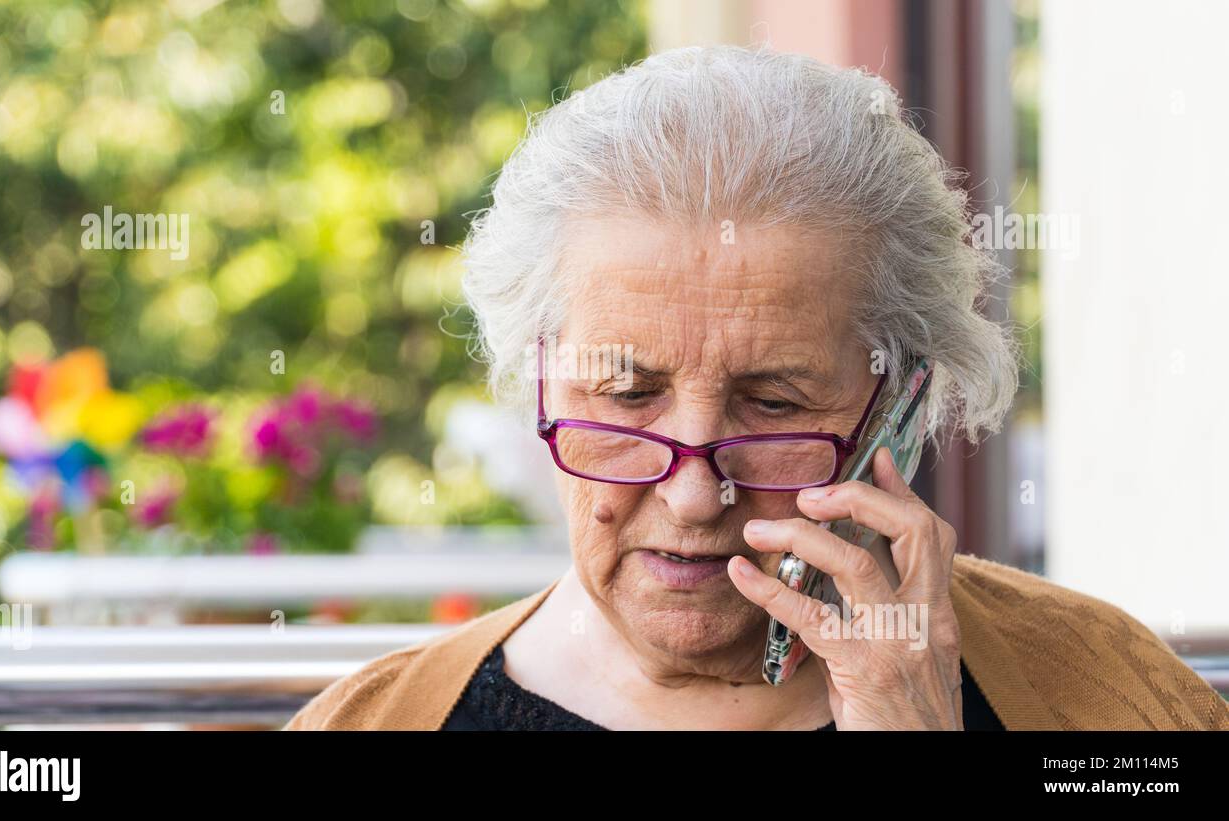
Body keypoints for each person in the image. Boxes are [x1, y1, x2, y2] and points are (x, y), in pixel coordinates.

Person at [286, 45, 1227, 730]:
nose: (695, 494)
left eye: (774, 405)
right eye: (624, 395)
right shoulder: (380, 721)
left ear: (896, 405)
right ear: (541, 377)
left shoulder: (1107, 702)